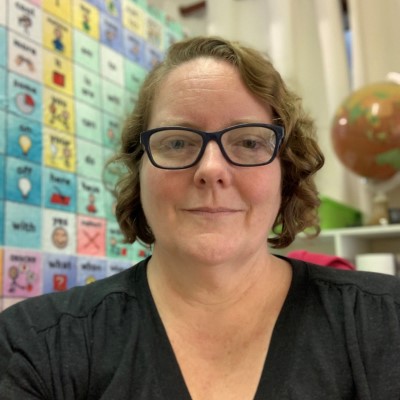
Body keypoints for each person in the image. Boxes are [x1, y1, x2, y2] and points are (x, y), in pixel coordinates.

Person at [1, 36, 400, 400]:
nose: (211, 169)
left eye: (247, 141)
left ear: (286, 170)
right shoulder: (34, 344)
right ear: (139, 171)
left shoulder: (387, 321)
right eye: (177, 142)